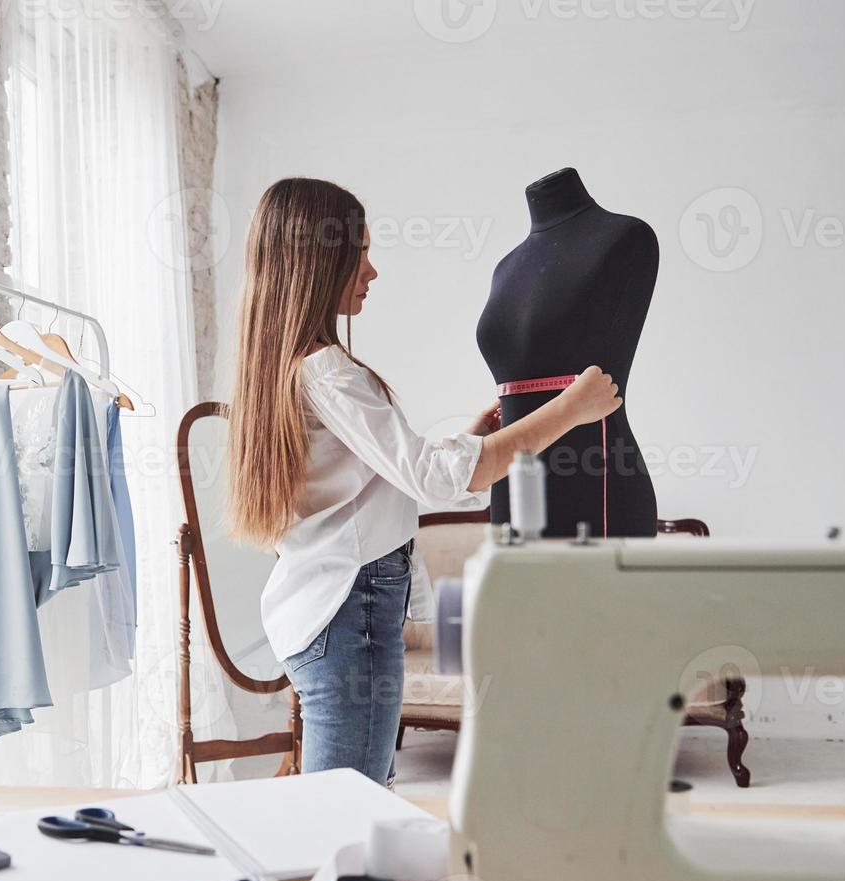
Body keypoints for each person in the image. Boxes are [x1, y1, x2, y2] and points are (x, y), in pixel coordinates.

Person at [226, 176, 622, 786]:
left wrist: (473, 439)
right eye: (360, 251)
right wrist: (570, 409)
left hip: (330, 613)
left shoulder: (289, 368)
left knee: (357, 797)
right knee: (347, 808)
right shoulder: (328, 371)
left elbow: (379, 478)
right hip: (345, 614)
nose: (372, 270)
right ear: (318, 258)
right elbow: (433, 483)